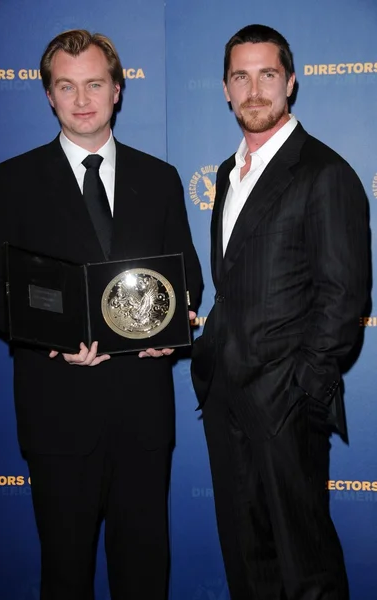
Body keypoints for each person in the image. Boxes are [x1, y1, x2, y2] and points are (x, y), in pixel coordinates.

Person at [0, 29, 202, 600]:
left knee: (145, 575)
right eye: (67, 86)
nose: (82, 99)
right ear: (49, 96)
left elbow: (187, 281)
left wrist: (167, 334)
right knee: (65, 574)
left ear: (118, 89)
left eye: (95, 84)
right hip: (57, 414)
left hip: (143, 415)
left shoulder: (160, 178)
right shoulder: (11, 180)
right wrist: (47, 337)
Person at [191, 23, 370, 600]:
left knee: (305, 565)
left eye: (267, 74)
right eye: (240, 77)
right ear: (224, 89)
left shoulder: (325, 172)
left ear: (290, 82)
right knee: (247, 560)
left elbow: (345, 300)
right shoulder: (226, 173)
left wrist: (301, 388)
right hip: (226, 399)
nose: (254, 89)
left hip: (286, 408)